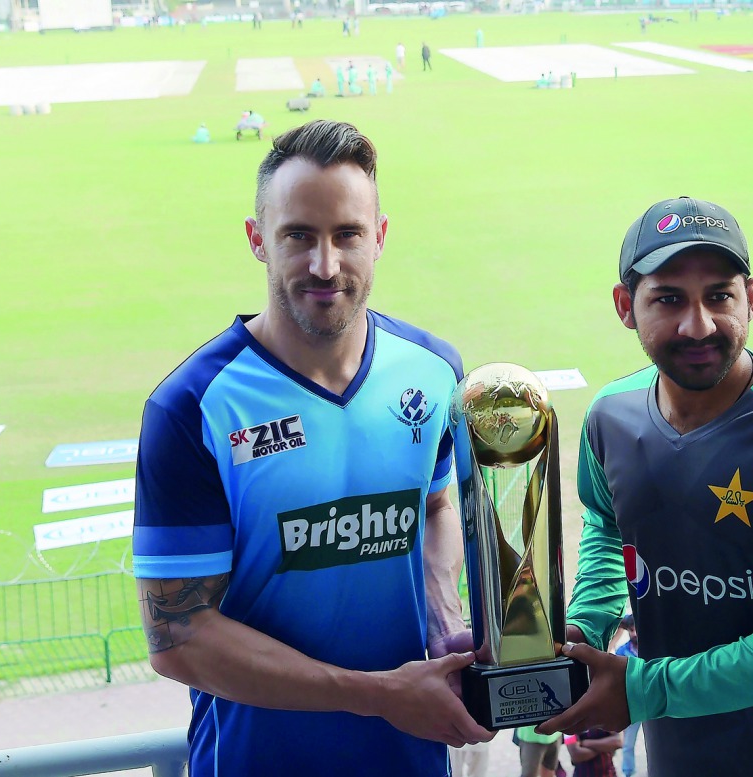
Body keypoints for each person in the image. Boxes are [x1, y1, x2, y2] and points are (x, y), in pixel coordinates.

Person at [131, 119, 493, 775]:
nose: (325, 264)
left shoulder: (435, 372)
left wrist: (443, 615)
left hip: (412, 758)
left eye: (347, 234)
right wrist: (380, 695)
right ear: (257, 240)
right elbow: (178, 635)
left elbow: (438, 503)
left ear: (379, 238)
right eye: (299, 235)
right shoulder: (194, 407)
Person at [536, 196, 753, 775]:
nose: (698, 325)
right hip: (680, 757)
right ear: (625, 306)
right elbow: (608, 525)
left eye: (719, 296)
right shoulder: (611, 417)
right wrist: (584, 626)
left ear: (751, 297)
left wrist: (648, 690)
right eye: (669, 298)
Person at [612, 615, 639, 777]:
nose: (634, 633)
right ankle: (628, 772)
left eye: (636, 629)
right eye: (631, 630)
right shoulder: (622, 652)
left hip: (654, 699)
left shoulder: (653, 649)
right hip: (632, 704)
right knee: (628, 744)